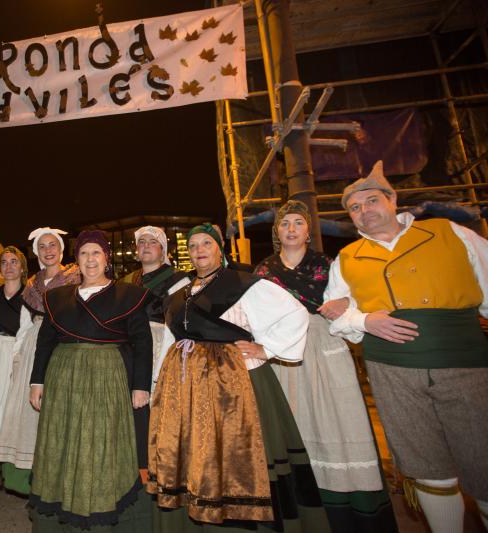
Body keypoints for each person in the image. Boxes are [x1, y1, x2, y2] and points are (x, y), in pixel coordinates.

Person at [324, 160, 488, 533]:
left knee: (484, 459)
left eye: (371, 202)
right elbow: (336, 314)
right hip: (393, 371)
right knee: (425, 464)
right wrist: (366, 320)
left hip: (464, 363)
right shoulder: (347, 259)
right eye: (355, 208)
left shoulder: (449, 233)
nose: (364, 211)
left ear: (392, 199)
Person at [148, 223, 330, 532]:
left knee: (239, 460)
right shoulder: (180, 294)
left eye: (206, 243)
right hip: (188, 391)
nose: (199, 250)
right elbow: (171, 341)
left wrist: (266, 348)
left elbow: (295, 313)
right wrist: (159, 386)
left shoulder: (243, 283)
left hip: (236, 386)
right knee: (196, 460)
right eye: (193, 246)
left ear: (219, 248)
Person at [254, 201, 397, 532]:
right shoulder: (263, 270)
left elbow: (354, 298)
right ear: (277, 231)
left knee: (338, 420)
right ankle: (303, 503)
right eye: (285, 223)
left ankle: (349, 506)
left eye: (297, 223)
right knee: (294, 421)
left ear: (307, 230)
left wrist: (346, 301)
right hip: (282, 350)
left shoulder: (328, 265)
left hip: (323, 343)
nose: (291, 228)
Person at [28, 230, 153, 530]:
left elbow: (142, 342)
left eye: (96, 253)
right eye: (84, 254)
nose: (90, 259)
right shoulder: (57, 298)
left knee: (103, 439)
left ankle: (100, 499)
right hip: (63, 378)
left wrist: (140, 386)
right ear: (77, 260)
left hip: (107, 376)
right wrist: (37, 381)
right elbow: (45, 342)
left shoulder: (128, 295)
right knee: (65, 436)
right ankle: (65, 495)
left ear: (107, 259)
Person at [0, 227, 81, 494]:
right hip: (35, 342)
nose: (48, 250)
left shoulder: (76, 277)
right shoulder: (31, 285)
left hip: (65, 342)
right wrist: (18, 356)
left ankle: (60, 476)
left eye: (52, 245)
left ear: (61, 249)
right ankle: (29, 476)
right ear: (36, 253)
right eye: (42, 247)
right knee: (29, 412)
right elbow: (24, 324)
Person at [120, 226, 187, 391]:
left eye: (152, 242)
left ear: (162, 250)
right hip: (129, 348)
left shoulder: (178, 281)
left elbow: (180, 323)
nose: (146, 245)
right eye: (141, 242)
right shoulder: (126, 281)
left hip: (161, 347)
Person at [0, 246, 27, 435]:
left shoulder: (31, 297)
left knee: (10, 400)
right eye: (4, 262)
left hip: (17, 352)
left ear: (22, 268)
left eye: (13, 262)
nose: (8, 266)